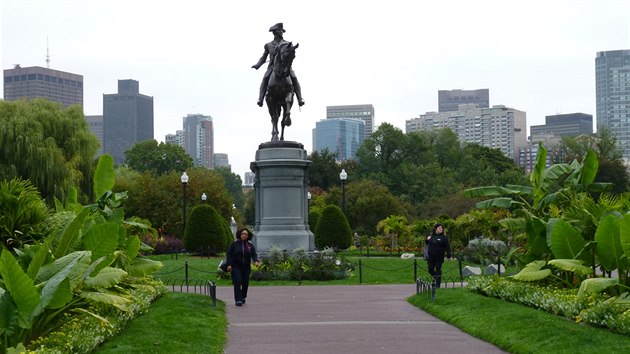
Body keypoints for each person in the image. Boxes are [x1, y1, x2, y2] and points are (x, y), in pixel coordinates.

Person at [252, 22, 305, 107]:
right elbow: (263, 57)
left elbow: (290, 55)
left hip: (286, 67)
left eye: (282, 31)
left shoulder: (287, 44)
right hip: (273, 67)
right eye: (279, 30)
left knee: (294, 78)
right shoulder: (268, 45)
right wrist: (257, 65)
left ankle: (300, 98)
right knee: (265, 78)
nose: (281, 32)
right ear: (275, 32)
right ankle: (260, 98)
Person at [226, 228, 260, 306]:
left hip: (246, 267)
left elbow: (254, 255)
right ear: (239, 235)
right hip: (236, 267)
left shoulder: (250, 245)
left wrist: (256, 261)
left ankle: (243, 296)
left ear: (248, 236)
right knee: (237, 282)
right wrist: (229, 265)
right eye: (242, 234)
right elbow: (229, 255)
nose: (244, 235)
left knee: (245, 282)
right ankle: (238, 300)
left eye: (246, 234)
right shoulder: (234, 244)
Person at [425, 223, 452, 288]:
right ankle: (436, 278)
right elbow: (427, 243)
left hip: (439, 257)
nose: (441, 229)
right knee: (430, 270)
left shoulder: (444, 238)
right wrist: (427, 239)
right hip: (431, 256)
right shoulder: (431, 236)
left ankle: (438, 284)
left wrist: (449, 255)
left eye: (442, 228)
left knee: (438, 270)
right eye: (439, 228)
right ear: (435, 229)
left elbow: (447, 247)